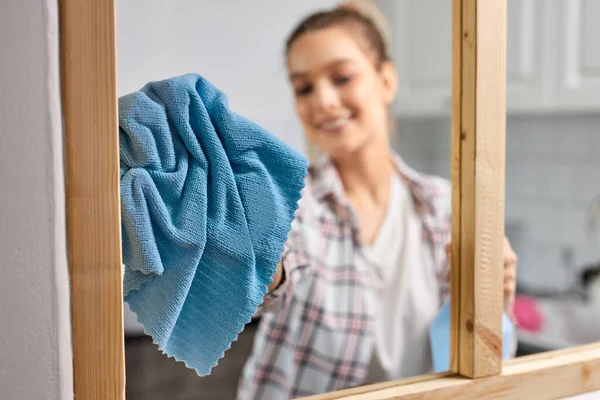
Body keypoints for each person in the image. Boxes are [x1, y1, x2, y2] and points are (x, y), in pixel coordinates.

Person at [237, 4, 518, 399]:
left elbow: (481, 360)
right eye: (304, 88)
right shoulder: (293, 205)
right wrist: (259, 262)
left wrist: (496, 307)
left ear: (387, 80)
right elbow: (273, 278)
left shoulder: (444, 208)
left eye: (341, 77)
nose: (324, 101)